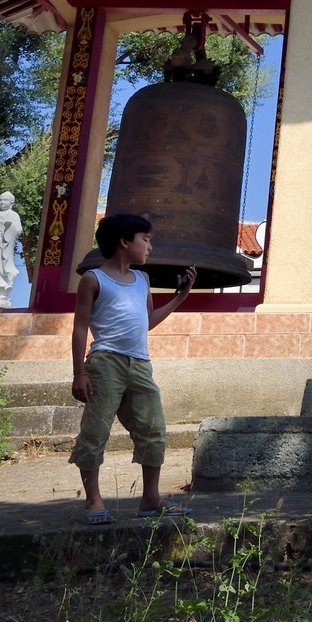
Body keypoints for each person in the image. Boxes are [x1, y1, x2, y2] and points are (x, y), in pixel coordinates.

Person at [69, 213, 194, 524]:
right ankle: (94, 500)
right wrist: (79, 373)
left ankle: (150, 500)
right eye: (146, 240)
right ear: (124, 242)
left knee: (154, 431)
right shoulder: (94, 279)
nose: (150, 246)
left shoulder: (142, 280)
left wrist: (180, 297)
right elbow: (80, 328)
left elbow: (147, 321)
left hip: (140, 364)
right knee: (96, 431)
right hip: (105, 363)